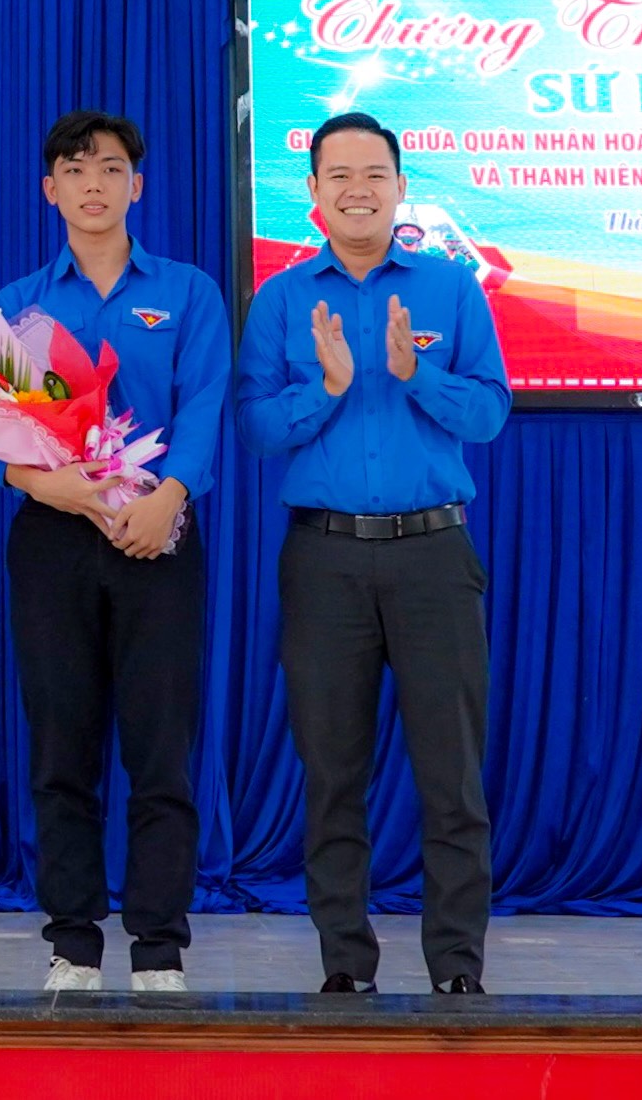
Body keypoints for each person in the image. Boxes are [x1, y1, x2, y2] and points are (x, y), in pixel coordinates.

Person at [234, 110, 512, 995]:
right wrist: (328, 388)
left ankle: (457, 970)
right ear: (312, 193)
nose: (358, 189)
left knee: (452, 777)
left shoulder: (451, 289)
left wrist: (416, 375)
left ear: (400, 187)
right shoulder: (282, 300)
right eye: (339, 175)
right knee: (332, 775)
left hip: (434, 555)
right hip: (325, 561)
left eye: (374, 174)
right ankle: (346, 968)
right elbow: (255, 429)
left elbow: (489, 414)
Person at [0, 111, 230, 992]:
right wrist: (37, 482)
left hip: (156, 532)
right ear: (49, 188)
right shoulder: (15, 305)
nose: (94, 183)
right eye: (76, 168)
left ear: (138, 185)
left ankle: (160, 945)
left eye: (112, 167)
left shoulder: (189, 293)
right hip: (54, 538)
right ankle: (73, 942)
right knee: (63, 748)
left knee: (160, 751)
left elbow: (203, 405)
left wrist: (170, 498)